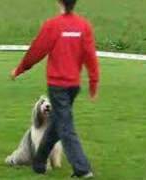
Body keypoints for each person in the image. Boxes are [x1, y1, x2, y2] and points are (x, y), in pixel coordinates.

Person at [10, 0, 100, 178]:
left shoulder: (53, 25)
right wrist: (93, 82)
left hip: (58, 86)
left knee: (64, 126)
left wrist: (20, 69)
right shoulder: (83, 25)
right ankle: (39, 163)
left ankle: (81, 169)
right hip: (73, 86)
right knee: (58, 124)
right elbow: (90, 55)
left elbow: (36, 50)